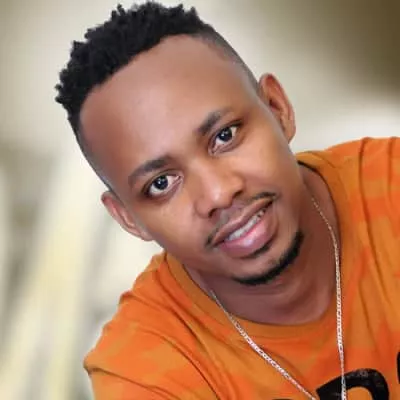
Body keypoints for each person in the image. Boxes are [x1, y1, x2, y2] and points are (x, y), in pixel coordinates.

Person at [55, 2, 400, 399]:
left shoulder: (390, 186)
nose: (218, 193)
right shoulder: (144, 370)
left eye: (225, 135)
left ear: (278, 108)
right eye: (161, 183)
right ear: (128, 218)